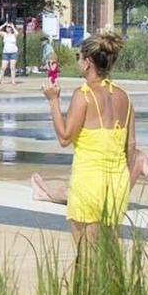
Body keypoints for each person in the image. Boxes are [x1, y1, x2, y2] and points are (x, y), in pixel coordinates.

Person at [42, 30, 134, 245]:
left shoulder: (83, 95)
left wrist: (53, 101)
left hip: (89, 180)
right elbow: (130, 145)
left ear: (88, 62)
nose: (78, 61)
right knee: (110, 250)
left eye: (79, 57)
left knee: (86, 253)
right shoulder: (124, 96)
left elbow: (65, 138)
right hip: (118, 181)